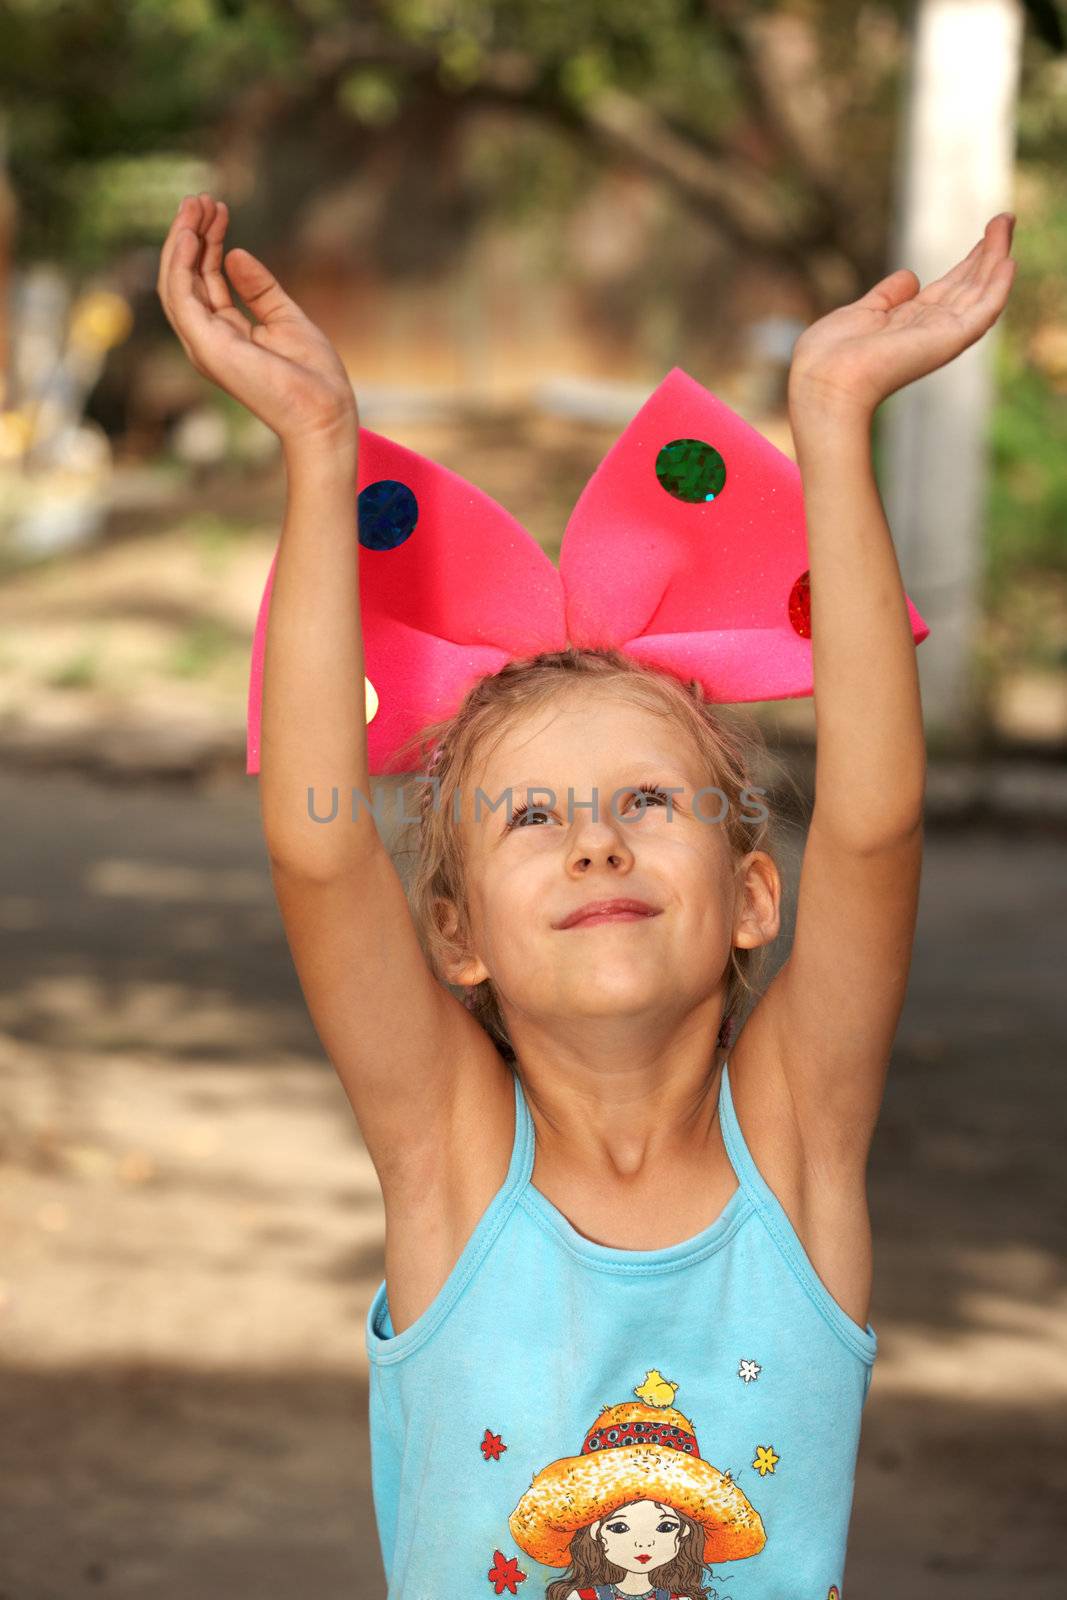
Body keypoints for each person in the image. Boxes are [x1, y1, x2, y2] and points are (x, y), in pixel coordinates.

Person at [157, 196, 1016, 1600]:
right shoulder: (451, 1163)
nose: (596, 845)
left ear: (752, 897)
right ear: (457, 935)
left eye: (649, 802)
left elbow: (873, 823)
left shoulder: (795, 1153)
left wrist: (833, 418)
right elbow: (319, 845)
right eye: (535, 818)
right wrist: (320, 451)